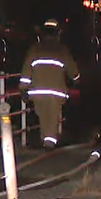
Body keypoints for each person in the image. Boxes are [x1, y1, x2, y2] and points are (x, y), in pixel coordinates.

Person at [20, 19, 80, 149]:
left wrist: (23, 89)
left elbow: (26, 70)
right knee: (52, 119)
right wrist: (76, 80)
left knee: (43, 117)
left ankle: (45, 140)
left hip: (37, 92)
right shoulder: (61, 50)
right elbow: (72, 69)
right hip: (55, 91)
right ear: (57, 34)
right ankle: (49, 145)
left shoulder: (34, 49)